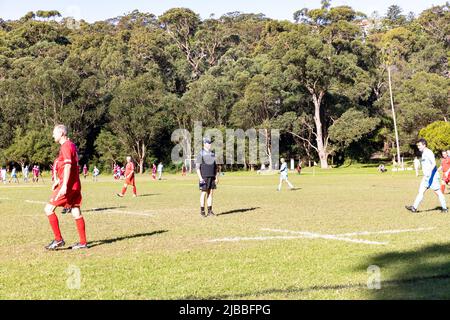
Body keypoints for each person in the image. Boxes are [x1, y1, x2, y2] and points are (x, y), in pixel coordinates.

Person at [44, 124, 87, 250]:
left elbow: (68, 166)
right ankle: (83, 242)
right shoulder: (71, 145)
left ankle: (58, 240)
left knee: (48, 209)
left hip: (68, 186)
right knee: (75, 210)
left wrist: (63, 185)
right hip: (75, 184)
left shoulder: (66, 146)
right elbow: (68, 166)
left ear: (61, 133)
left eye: (54, 133)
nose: (53, 135)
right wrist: (58, 180)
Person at [405, 139, 448, 213]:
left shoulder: (429, 152)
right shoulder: (424, 153)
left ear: (424, 145)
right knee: (421, 191)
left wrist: (429, 173)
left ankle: (444, 208)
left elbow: (434, 164)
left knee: (438, 192)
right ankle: (414, 208)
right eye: (418, 145)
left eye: (419, 145)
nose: (418, 147)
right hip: (426, 177)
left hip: (432, 177)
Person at [196, 138, 220, 217]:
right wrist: (200, 178)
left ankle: (210, 211)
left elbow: (216, 167)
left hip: (212, 177)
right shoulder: (200, 154)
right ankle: (202, 212)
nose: (210, 144)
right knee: (203, 193)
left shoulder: (213, 154)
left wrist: (216, 177)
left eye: (210, 143)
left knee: (210, 193)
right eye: (208, 143)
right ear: (204, 144)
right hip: (204, 177)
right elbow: (197, 168)